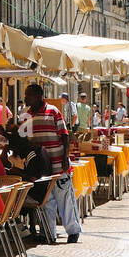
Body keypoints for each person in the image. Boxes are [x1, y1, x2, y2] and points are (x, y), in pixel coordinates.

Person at [21, 82, 80, 244]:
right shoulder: (27, 115)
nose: (25, 98)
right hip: (42, 168)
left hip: (59, 163)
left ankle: (73, 231)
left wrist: (65, 158)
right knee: (47, 202)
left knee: (65, 199)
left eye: (28, 95)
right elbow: (26, 139)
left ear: (38, 96)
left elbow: (65, 135)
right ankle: (49, 233)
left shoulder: (53, 111)